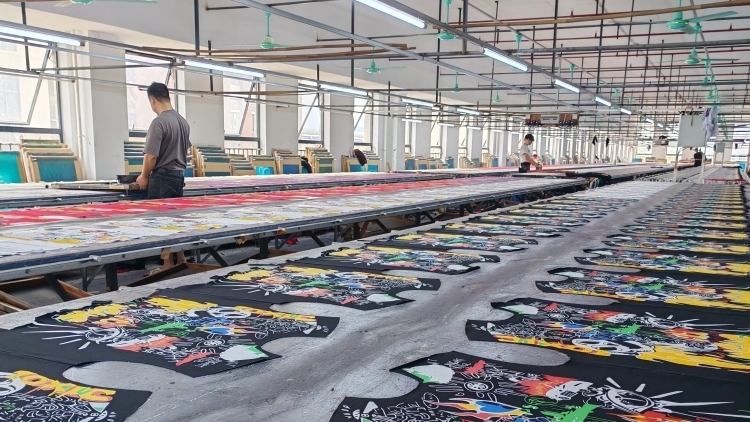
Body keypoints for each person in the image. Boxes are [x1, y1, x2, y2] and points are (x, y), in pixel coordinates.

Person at [135, 82, 192, 274]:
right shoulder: (183, 122)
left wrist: (143, 176)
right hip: (178, 177)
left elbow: (151, 156)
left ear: (152, 100)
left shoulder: (159, 122)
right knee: (176, 221)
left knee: (163, 222)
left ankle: (167, 264)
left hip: (162, 178)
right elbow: (184, 151)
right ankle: (181, 259)